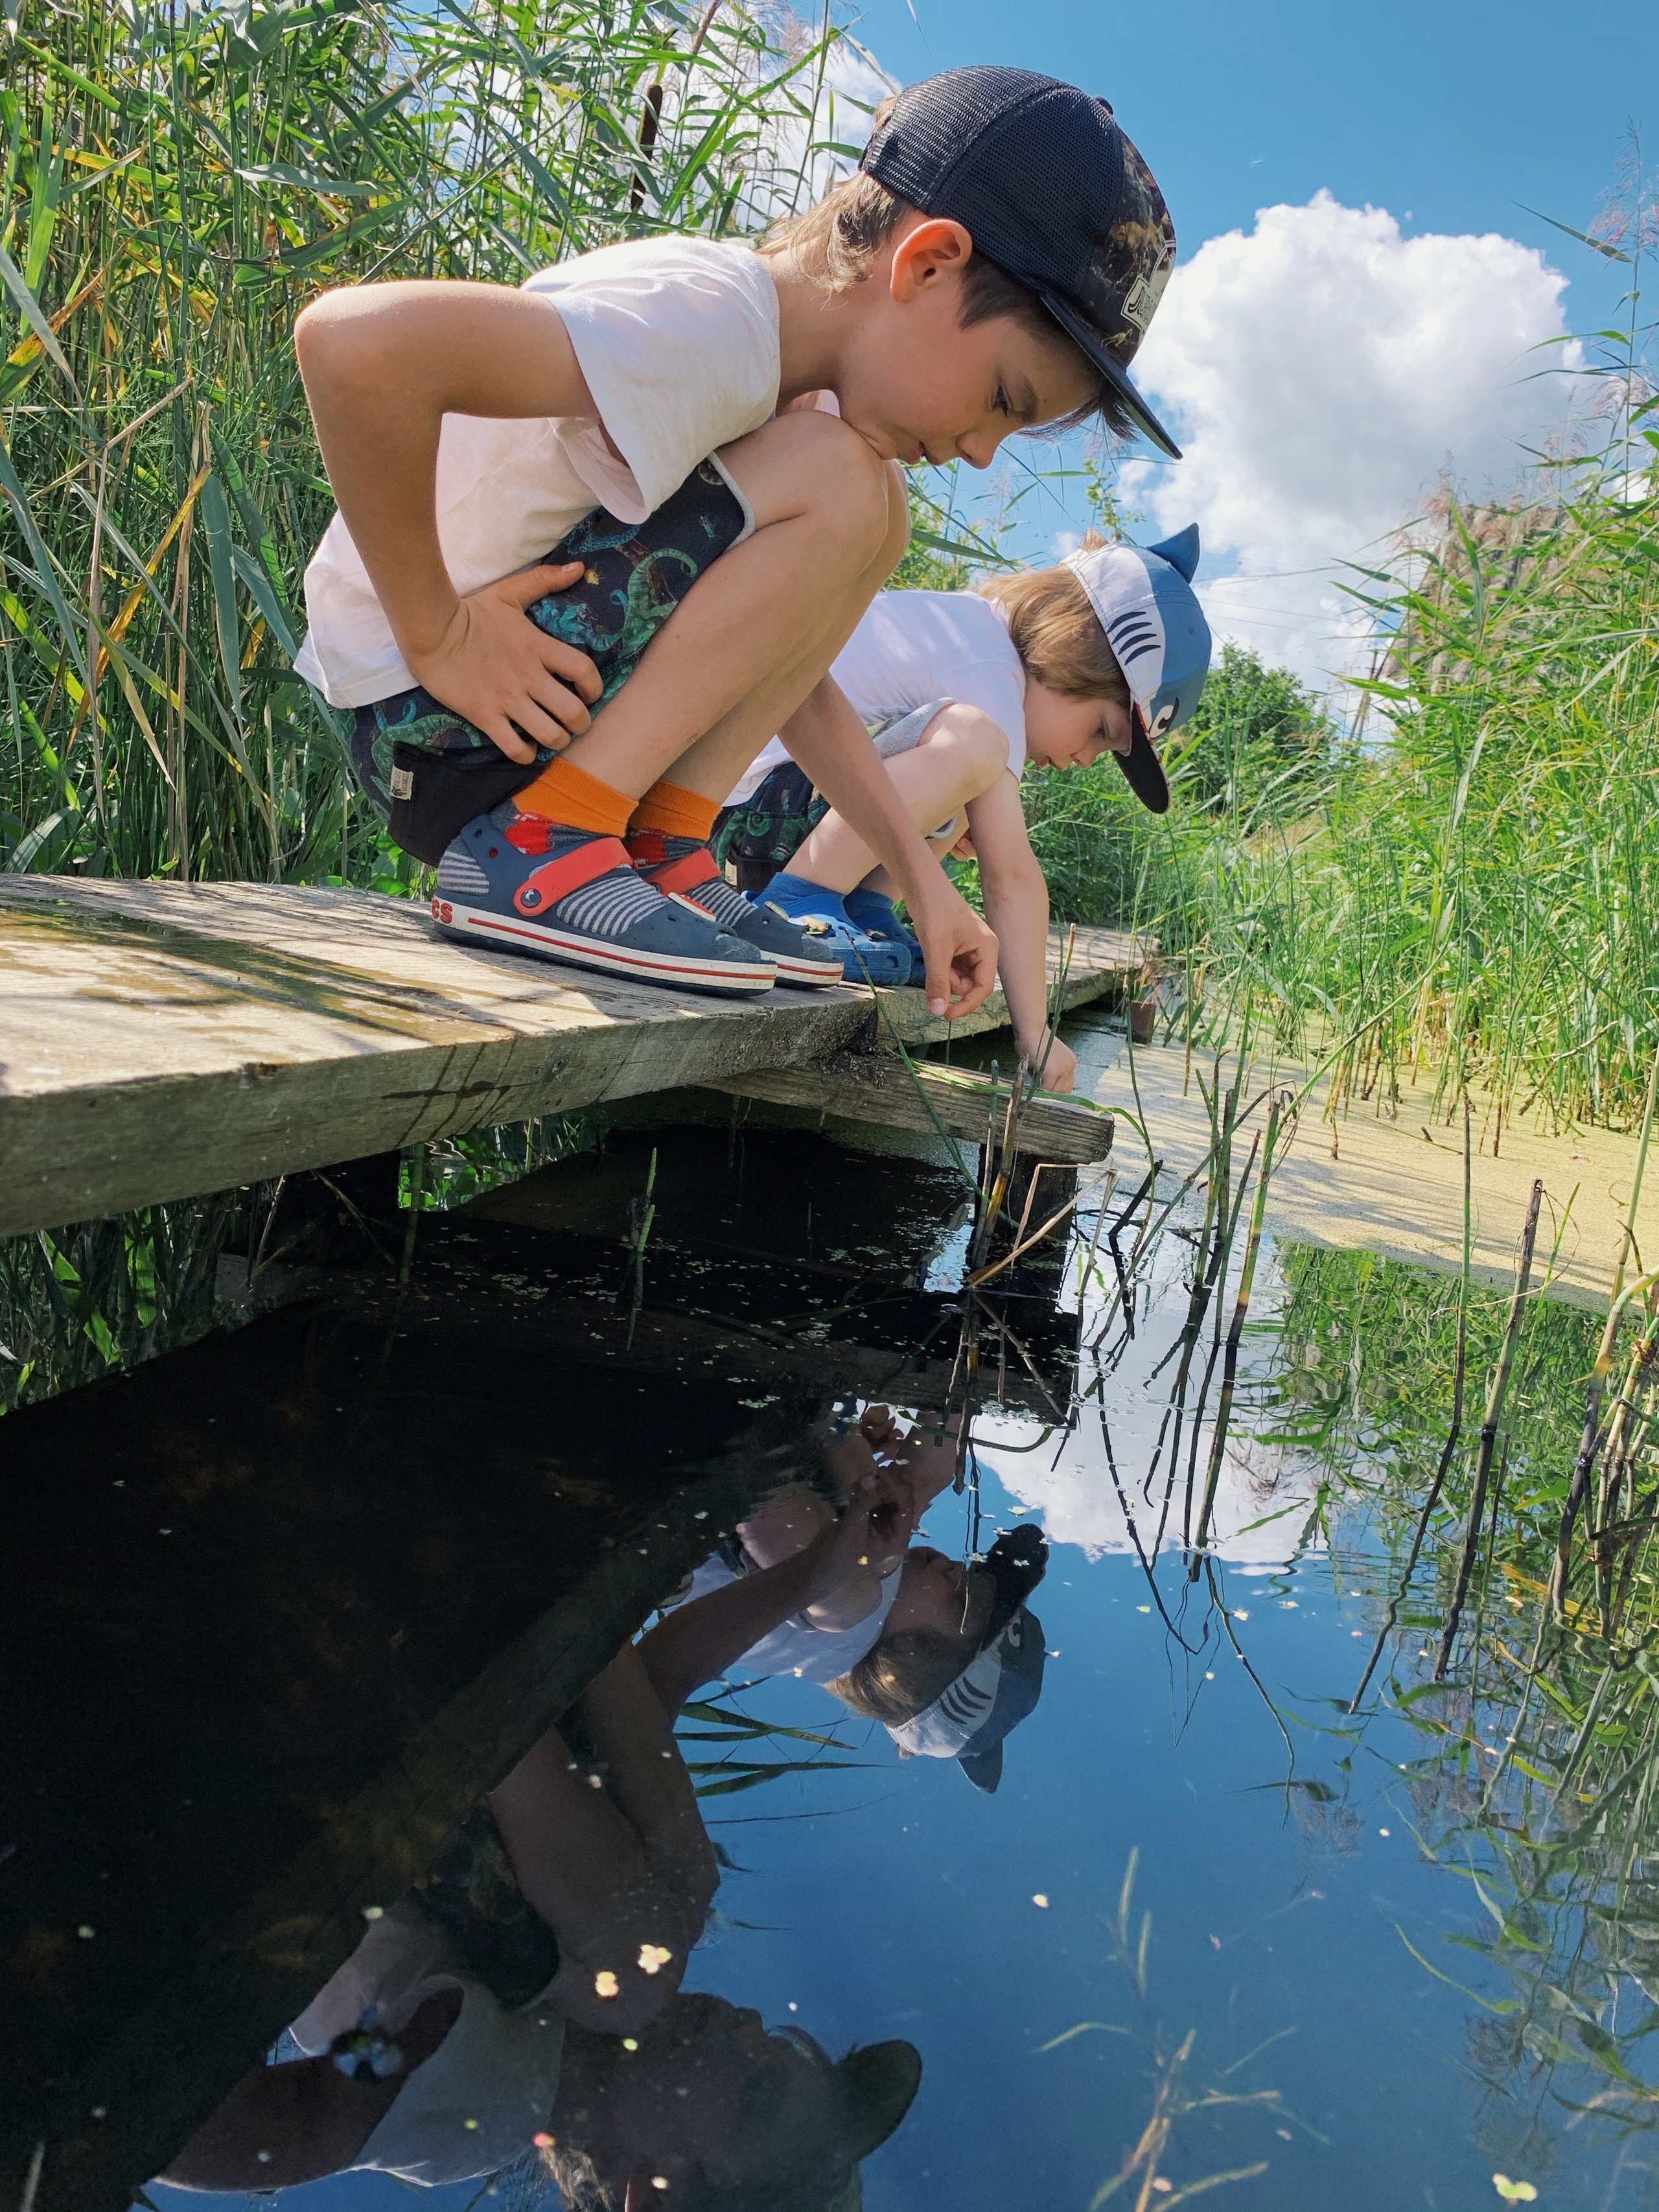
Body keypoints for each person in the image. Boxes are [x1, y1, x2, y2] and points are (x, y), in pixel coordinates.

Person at [291, 66, 1183, 1011]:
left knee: (872, 509)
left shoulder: (787, 401)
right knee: (847, 484)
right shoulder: (718, 322)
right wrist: (438, 633)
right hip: (431, 719)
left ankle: (659, 844)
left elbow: (793, 686)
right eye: (1003, 400)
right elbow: (354, 347)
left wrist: (925, 890)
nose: (979, 452)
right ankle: (553, 839)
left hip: (490, 728)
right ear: (925, 263)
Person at [158, 1599, 921, 2207]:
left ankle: (479, 1641)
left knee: (649, 1947)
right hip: (360, 1758)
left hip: (266, 1797)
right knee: (682, 1899)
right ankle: (552, 1596)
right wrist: (816, 1568)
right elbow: (657, 1690)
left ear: (650, 2194)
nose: (753, 2028)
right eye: (785, 2043)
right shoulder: (581, 1998)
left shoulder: (491, 2103)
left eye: (753, 2095)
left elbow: (288, 2128)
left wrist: (92, 2115)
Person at [717, 527, 1214, 1088]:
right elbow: (1011, 879)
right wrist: (1035, 1032)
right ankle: (800, 900)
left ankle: (864, 906)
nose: (1086, 760)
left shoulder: (972, 631)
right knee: (974, 744)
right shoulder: (990, 669)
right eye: (1102, 731)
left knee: (967, 805)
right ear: (1069, 648)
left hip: (757, 810)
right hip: (744, 803)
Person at [639, 1408, 1049, 1794]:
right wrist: (848, 1455)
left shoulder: (850, 1626)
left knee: (848, 1595)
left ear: (911, 1664)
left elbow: (770, 1511)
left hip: (704, 1454)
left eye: (964, 1602)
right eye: (977, 1579)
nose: (962, 1573)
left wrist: (837, 1449)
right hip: (692, 1475)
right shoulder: (869, 1598)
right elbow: (926, 1475)